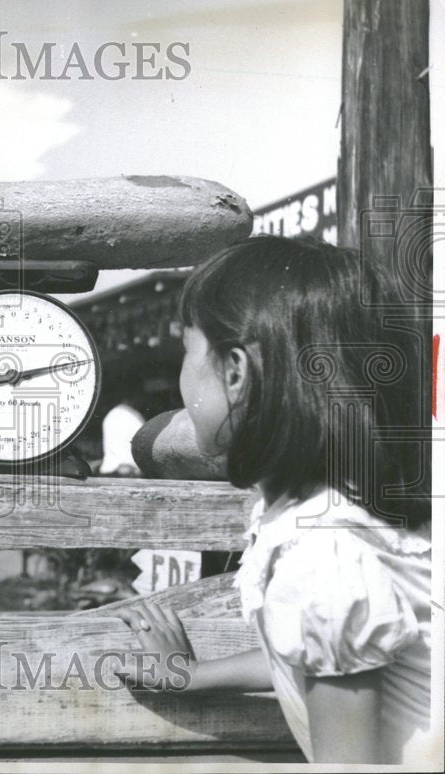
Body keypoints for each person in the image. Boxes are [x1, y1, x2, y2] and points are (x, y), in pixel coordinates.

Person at [112, 237, 432, 764]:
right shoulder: (340, 511)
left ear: (235, 373)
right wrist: (194, 676)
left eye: (188, 352)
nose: (181, 374)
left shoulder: (321, 554)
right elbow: (332, 650)